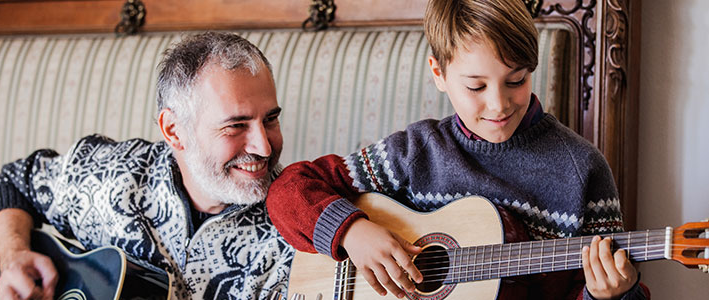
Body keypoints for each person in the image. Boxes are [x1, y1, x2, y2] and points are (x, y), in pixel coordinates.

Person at [266, 0, 649, 299]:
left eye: (516, 80)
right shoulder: (417, 151)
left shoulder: (581, 168)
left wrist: (610, 295)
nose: (499, 105)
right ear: (439, 74)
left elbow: (616, 282)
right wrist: (352, 232)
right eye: (476, 87)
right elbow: (288, 189)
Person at [0, 32, 294, 300]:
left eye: (270, 119)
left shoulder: (297, 227)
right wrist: (13, 257)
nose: (264, 147)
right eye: (236, 125)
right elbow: (14, 183)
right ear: (174, 130)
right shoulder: (112, 175)